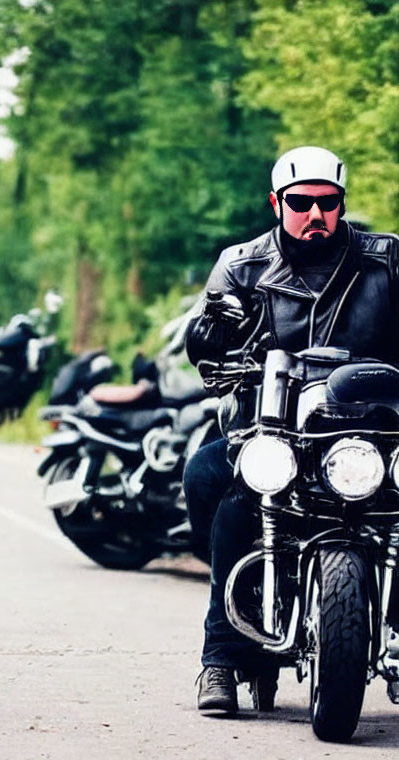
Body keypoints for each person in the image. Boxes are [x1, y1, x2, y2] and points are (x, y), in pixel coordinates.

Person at [184, 146, 399, 713]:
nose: (315, 215)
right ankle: (222, 661)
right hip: (272, 425)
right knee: (218, 490)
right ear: (277, 203)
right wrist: (211, 332)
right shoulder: (242, 263)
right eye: (301, 203)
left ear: (342, 204)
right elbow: (205, 350)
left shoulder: (385, 260)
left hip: (371, 430)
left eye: (327, 204)